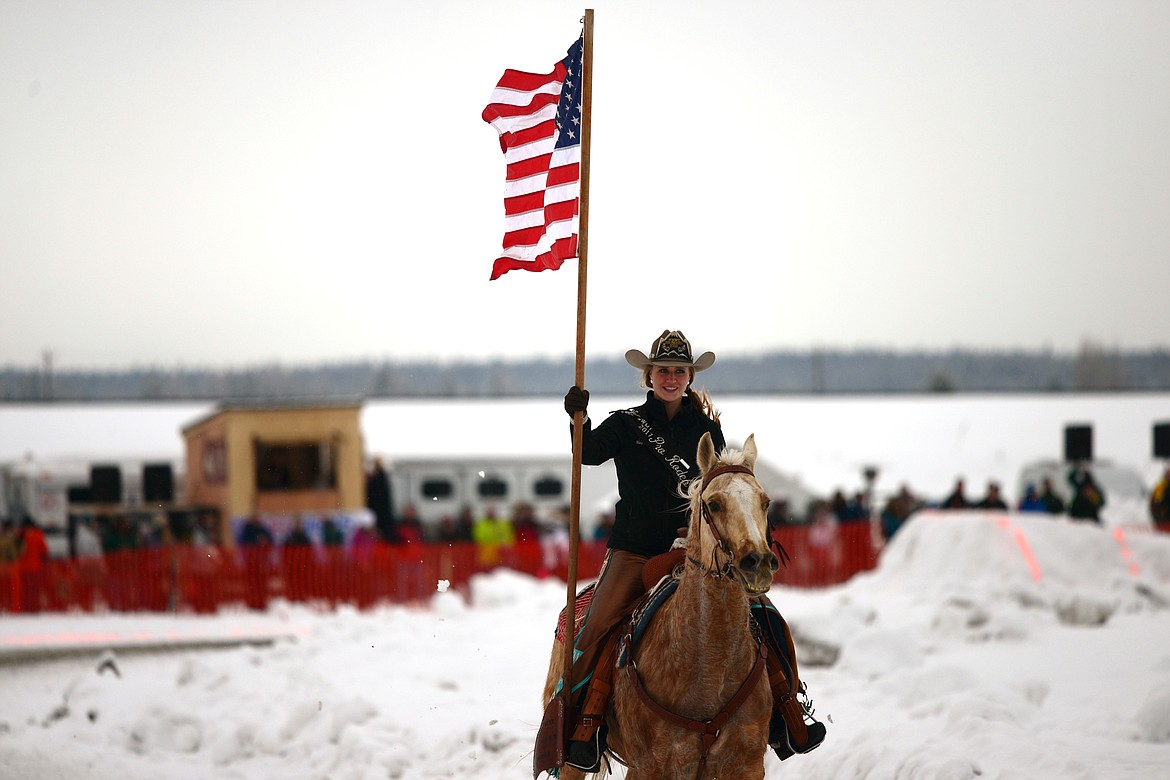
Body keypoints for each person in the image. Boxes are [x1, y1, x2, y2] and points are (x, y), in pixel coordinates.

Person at [546, 330, 825, 771]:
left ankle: (788, 713)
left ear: (689, 377)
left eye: (679, 371)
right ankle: (584, 723)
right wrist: (579, 418)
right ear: (648, 376)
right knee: (596, 626)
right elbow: (587, 453)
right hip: (635, 551)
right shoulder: (624, 424)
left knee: (765, 617)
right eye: (663, 371)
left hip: (697, 548)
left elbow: (717, 481)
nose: (670, 378)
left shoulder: (706, 428)